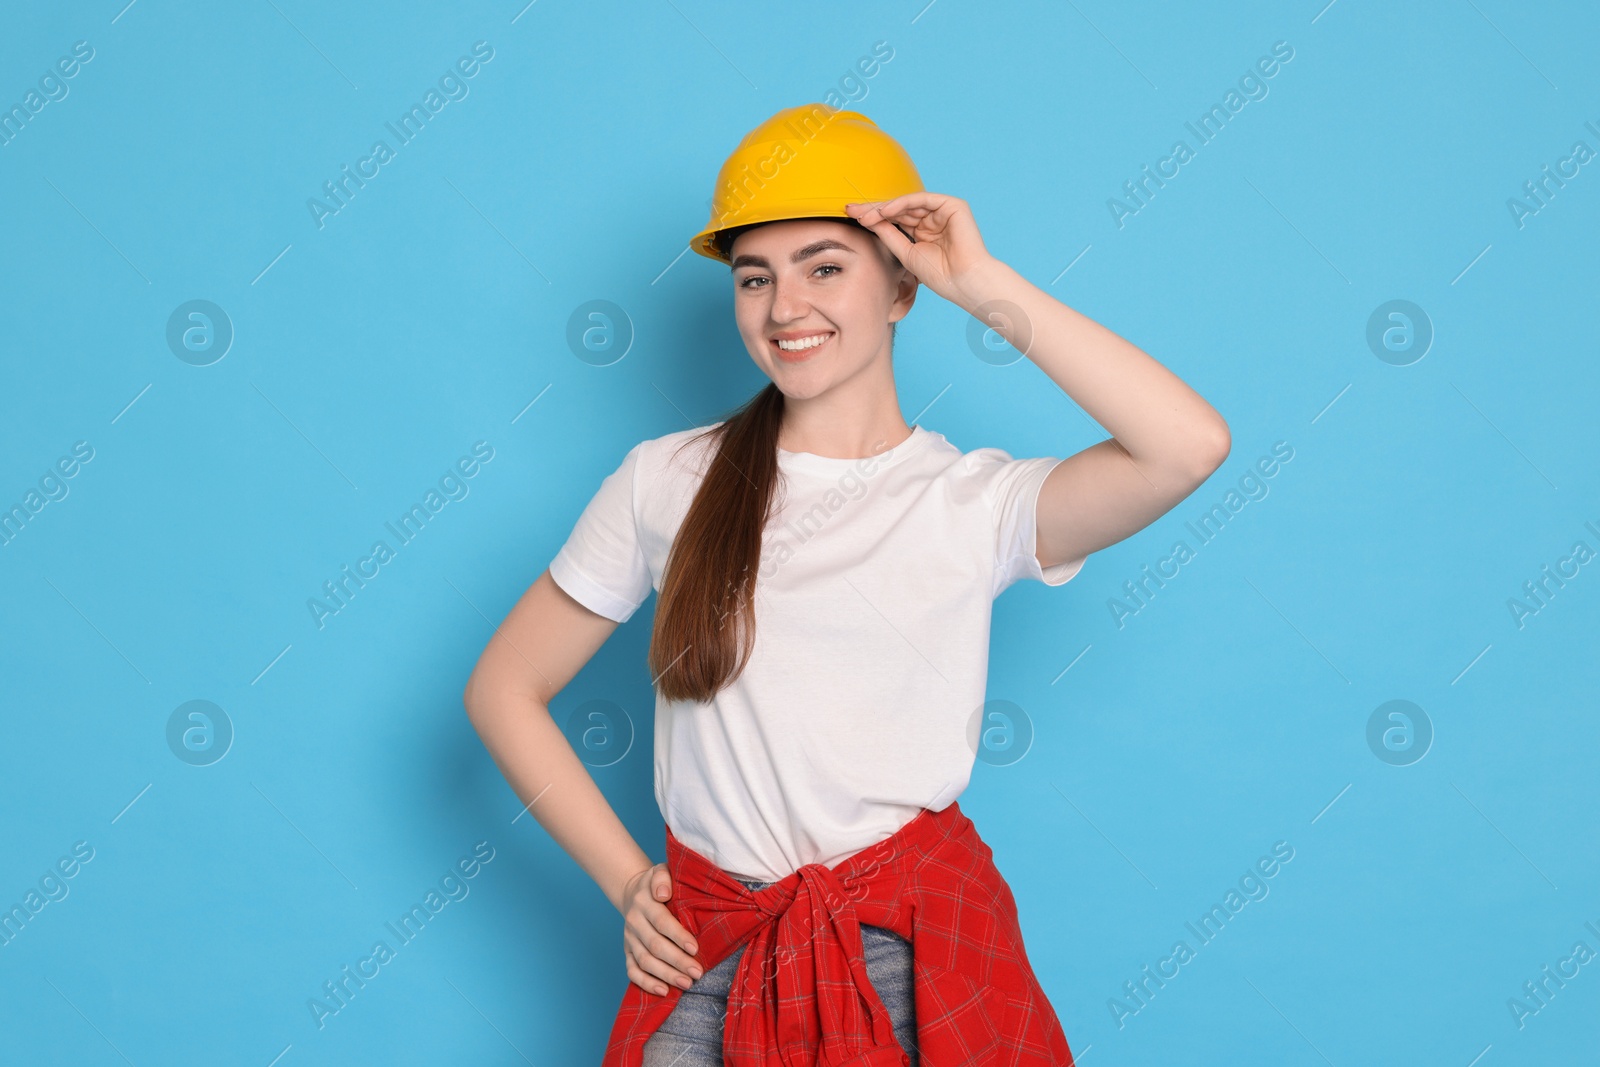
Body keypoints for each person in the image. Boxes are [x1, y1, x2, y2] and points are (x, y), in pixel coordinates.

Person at [462, 104, 1230, 1065]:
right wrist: (627, 884)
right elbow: (503, 688)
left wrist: (979, 282)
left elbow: (1188, 446)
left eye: (825, 266)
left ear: (901, 284)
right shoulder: (665, 480)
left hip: (911, 961)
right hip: (713, 953)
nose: (786, 307)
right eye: (756, 278)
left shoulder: (971, 501)